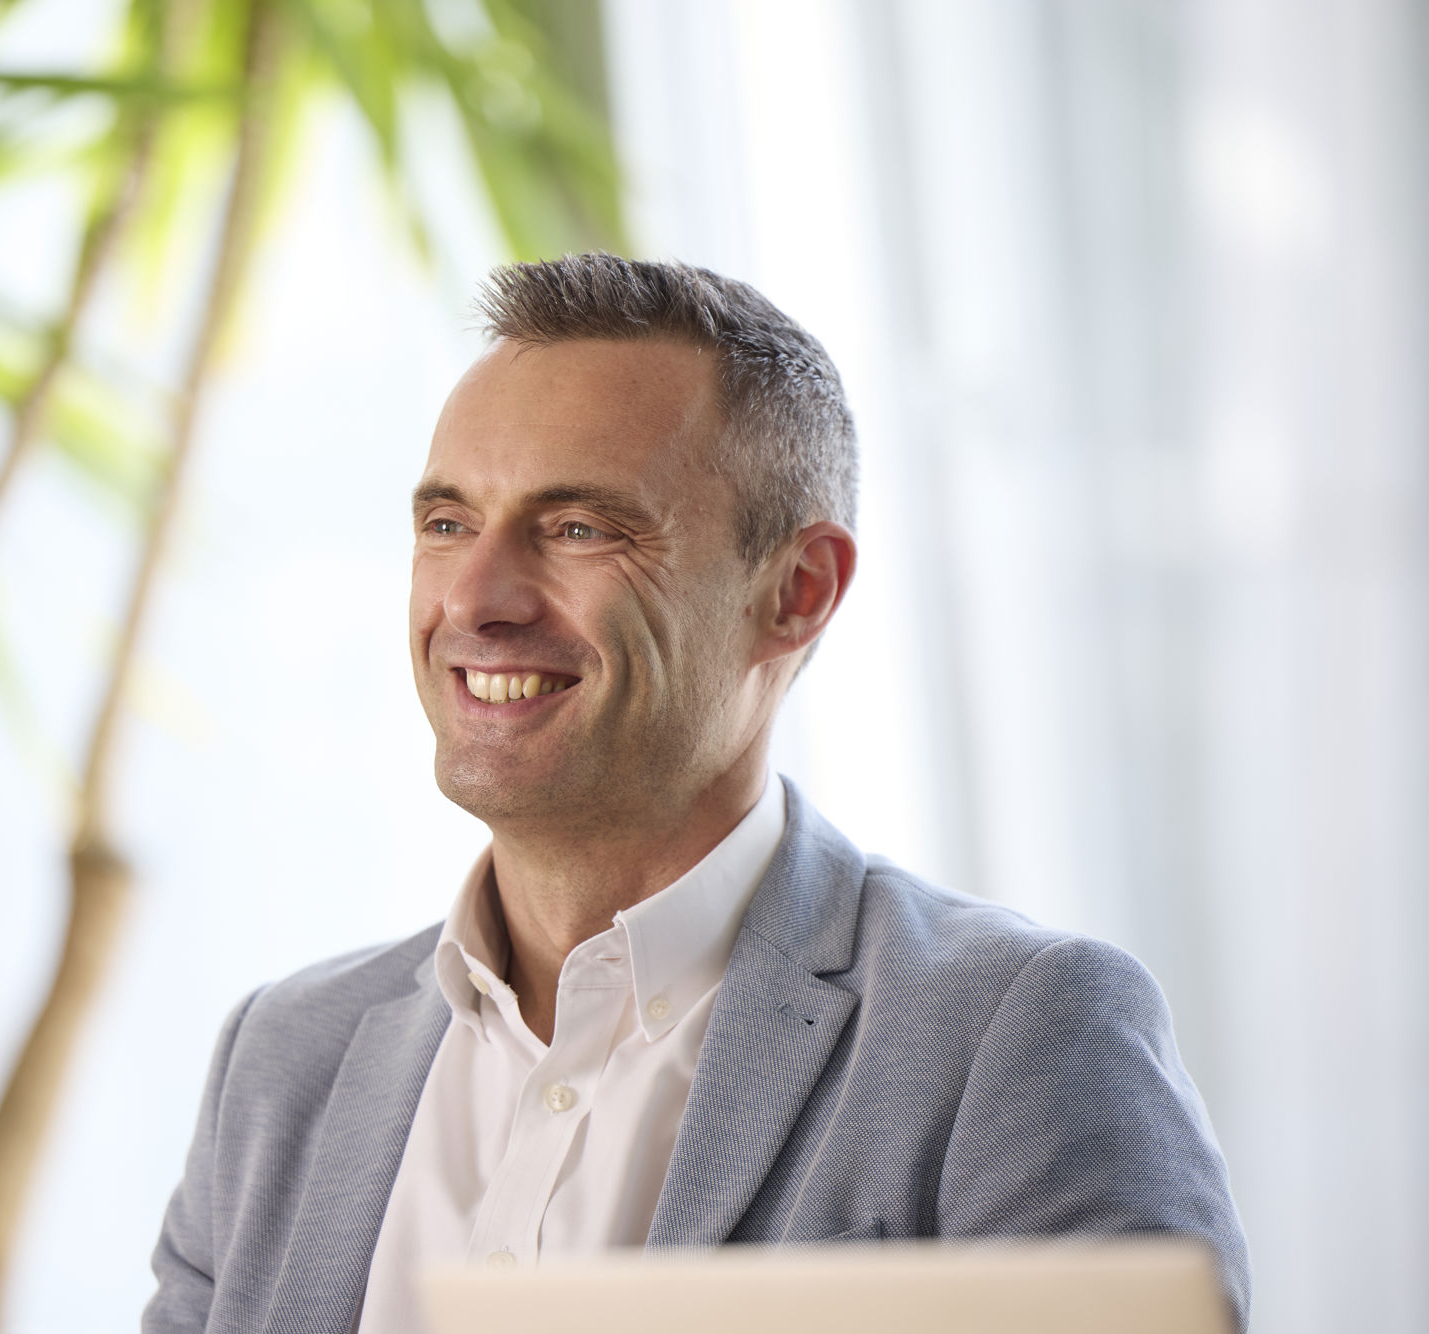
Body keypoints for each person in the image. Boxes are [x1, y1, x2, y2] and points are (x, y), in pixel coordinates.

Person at [141, 255, 1248, 1334]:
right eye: (445, 523)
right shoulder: (283, 1055)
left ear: (795, 591)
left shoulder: (1015, 1037)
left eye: (578, 527)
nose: (473, 597)